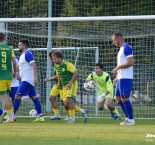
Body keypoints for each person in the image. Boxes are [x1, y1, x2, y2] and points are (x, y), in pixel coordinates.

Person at [52, 51, 88, 123]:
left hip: (72, 84)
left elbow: (76, 73)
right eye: (53, 59)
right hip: (64, 85)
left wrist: (71, 82)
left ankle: (72, 119)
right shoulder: (56, 65)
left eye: (54, 59)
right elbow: (58, 74)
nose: (53, 60)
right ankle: (83, 111)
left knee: (68, 101)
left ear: (60, 58)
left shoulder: (68, 65)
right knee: (65, 104)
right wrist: (59, 83)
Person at [13, 40, 44, 122]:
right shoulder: (22, 56)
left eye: (19, 45)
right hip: (25, 79)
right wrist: (19, 75)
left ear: (23, 45)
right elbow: (24, 68)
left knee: (17, 96)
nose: (18, 46)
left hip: (27, 80)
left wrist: (35, 77)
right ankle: (41, 117)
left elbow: (33, 64)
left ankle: (11, 116)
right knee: (34, 98)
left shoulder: (27, 54)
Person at [111, 32, 135, 126]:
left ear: (118, 39)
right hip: (120, 77)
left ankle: (131, 120)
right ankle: (127, 118)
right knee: (117, 98)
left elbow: (131, 62)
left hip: (126, 77)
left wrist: (118, 68)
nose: (114, 43)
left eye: (114, 41)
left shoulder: (127, 47)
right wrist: (116, 77)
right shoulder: (121, 49)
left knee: (124, 98)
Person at [0, 32, 16, 123]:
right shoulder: (9, 49)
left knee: (4, 97)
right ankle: (11, 116)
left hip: (0, 76)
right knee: (6, 97)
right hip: (8, 76)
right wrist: (15, 72)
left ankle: (10, 117)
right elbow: (14, 62)